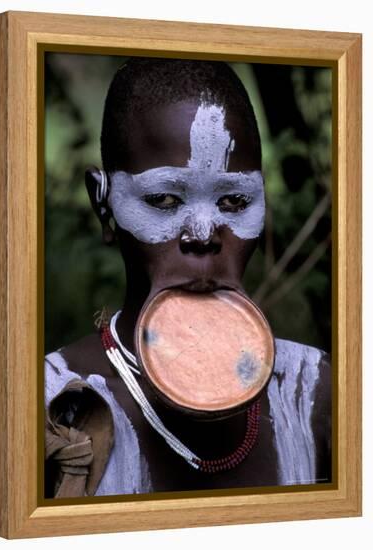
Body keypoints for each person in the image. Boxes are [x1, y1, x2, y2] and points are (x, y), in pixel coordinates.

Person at [44, 58, 331, 498]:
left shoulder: (316, 391)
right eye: (163, 199)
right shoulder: (49, 401)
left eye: (235, 201)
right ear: (103, 204)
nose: (202, 235)